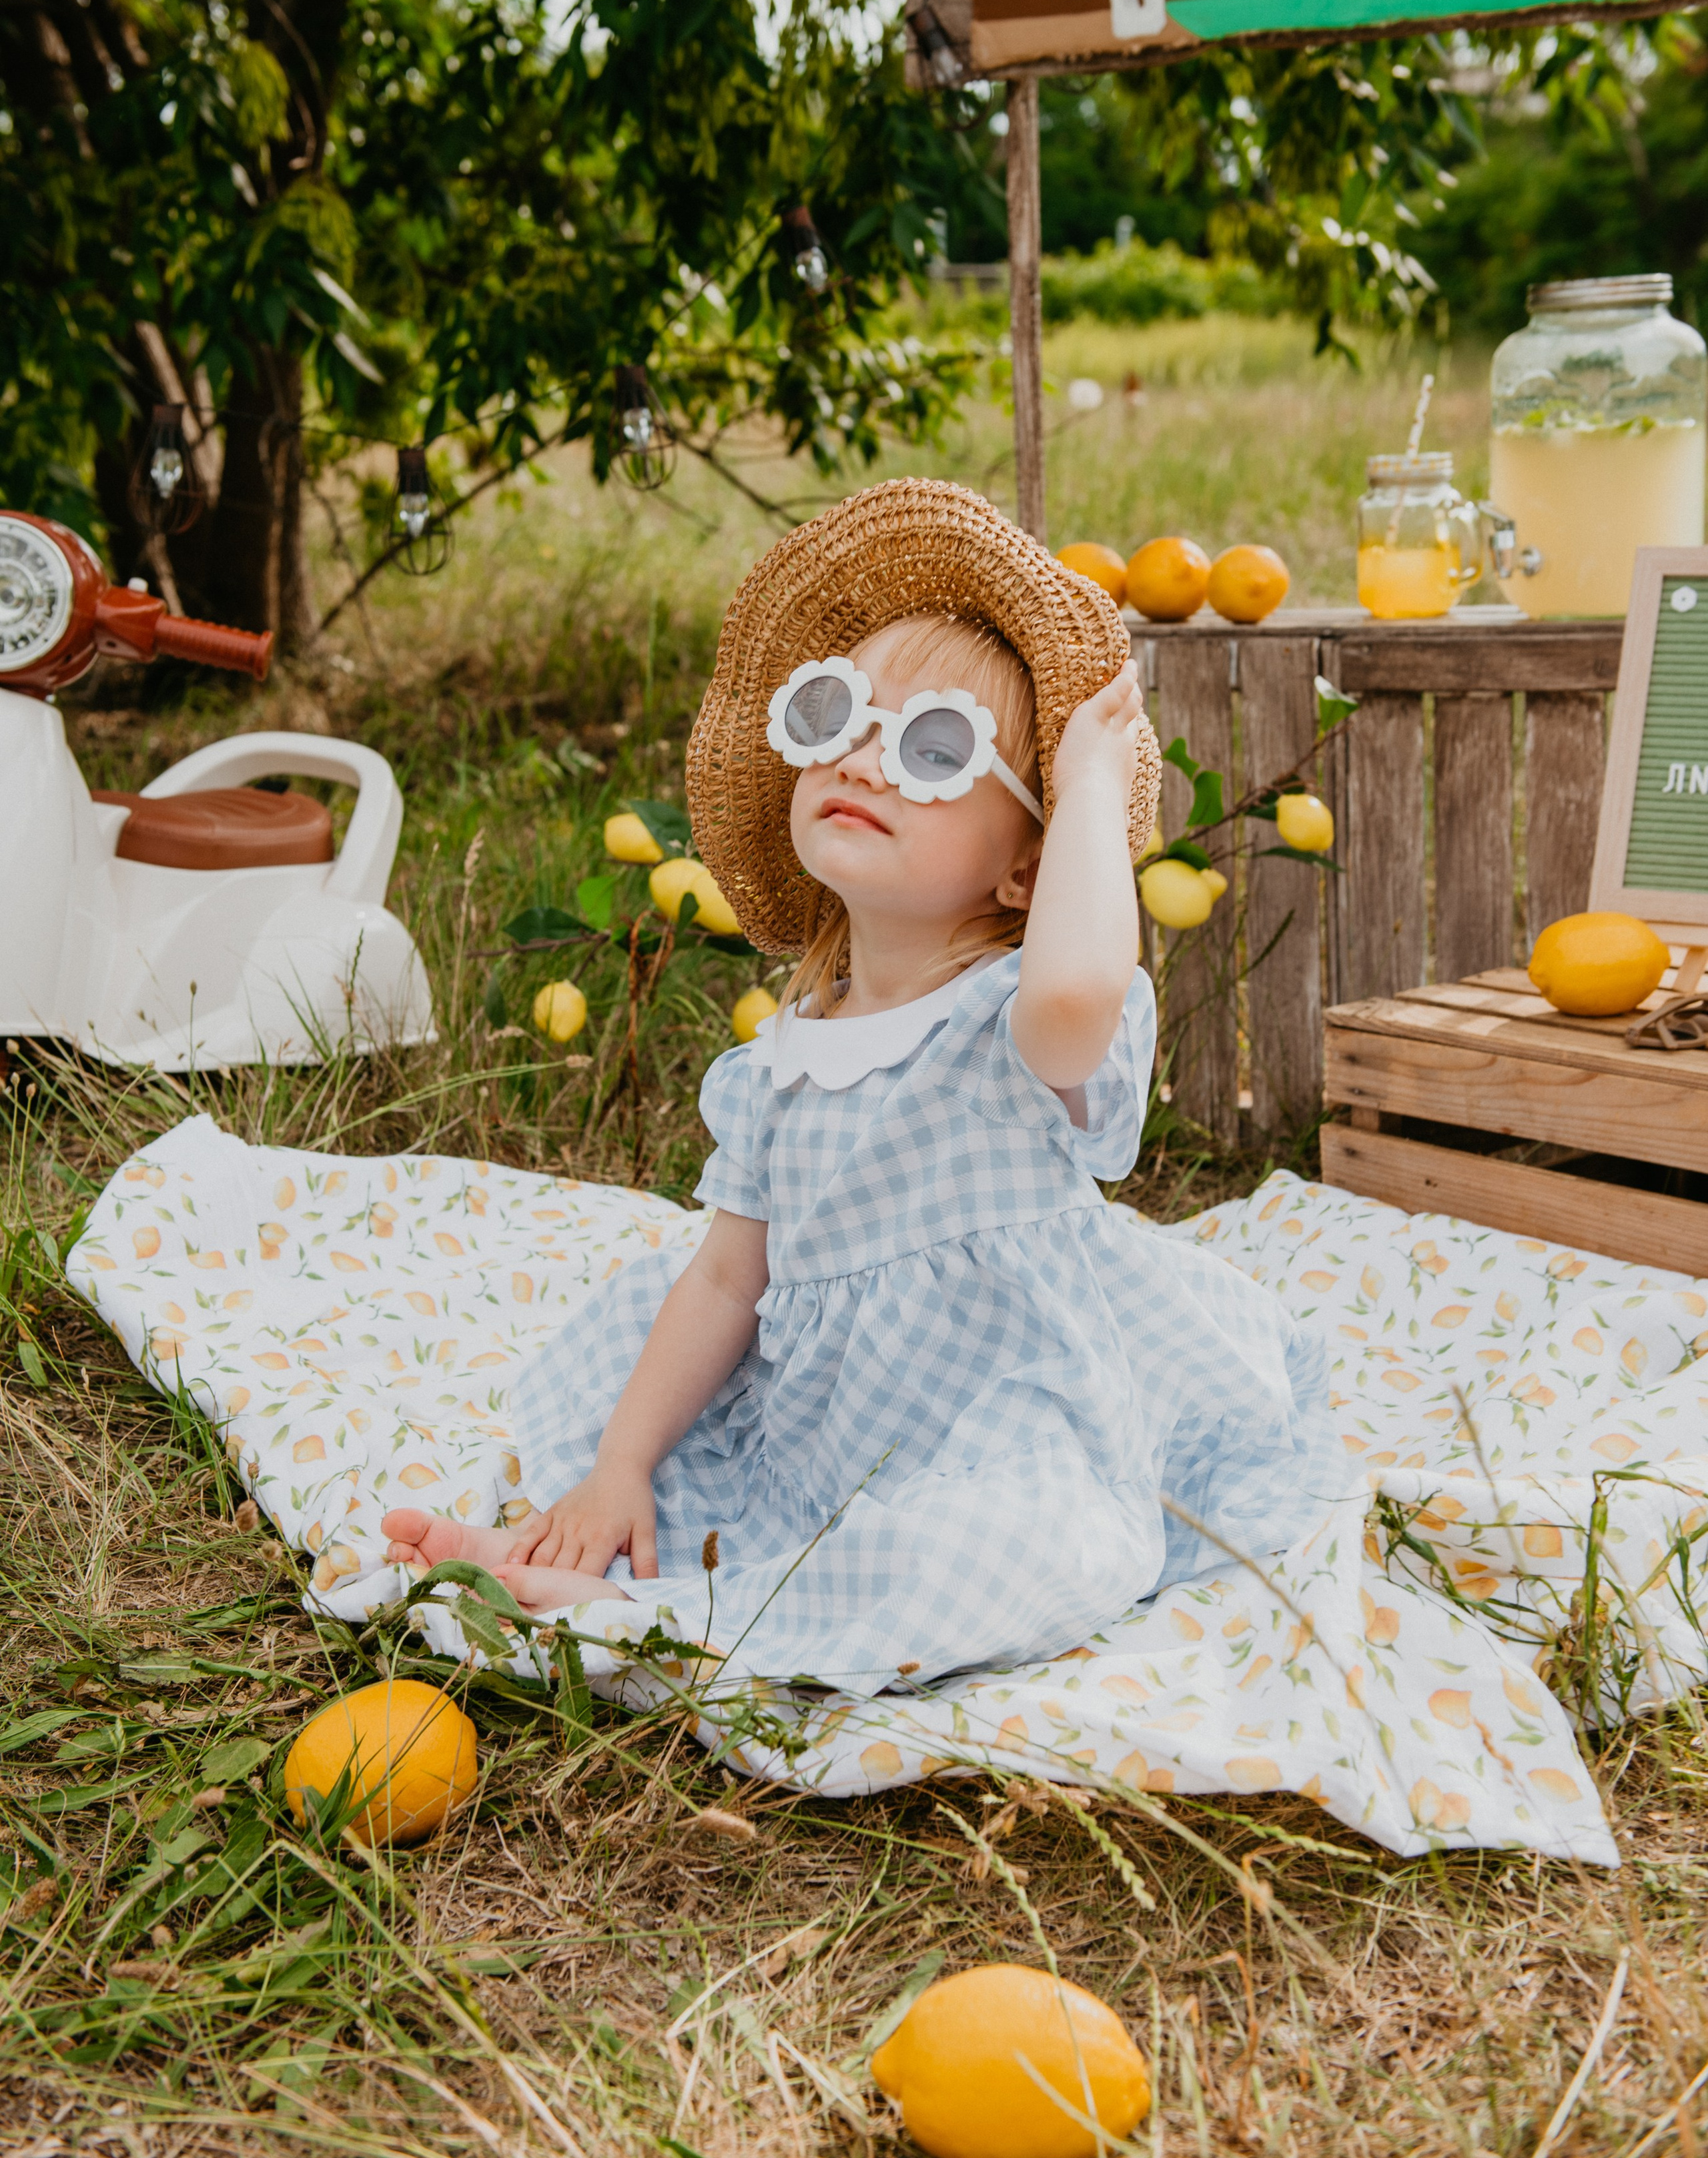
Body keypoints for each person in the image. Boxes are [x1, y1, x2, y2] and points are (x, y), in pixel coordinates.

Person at [381, 478, 1338, 1692]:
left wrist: (1096, 785)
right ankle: (573, 1558)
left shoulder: (1012, 1022)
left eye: (938, 749)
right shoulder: (786, 1052)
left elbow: (1080, 992)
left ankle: (667, 1621)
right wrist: (622, 1462)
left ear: (1026, 868)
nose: (866, 757)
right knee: (652, 1407)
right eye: (837, 714)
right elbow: (734, 1275)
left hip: (1004, 1421)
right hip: (829, 1427)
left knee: (1002, 1553)